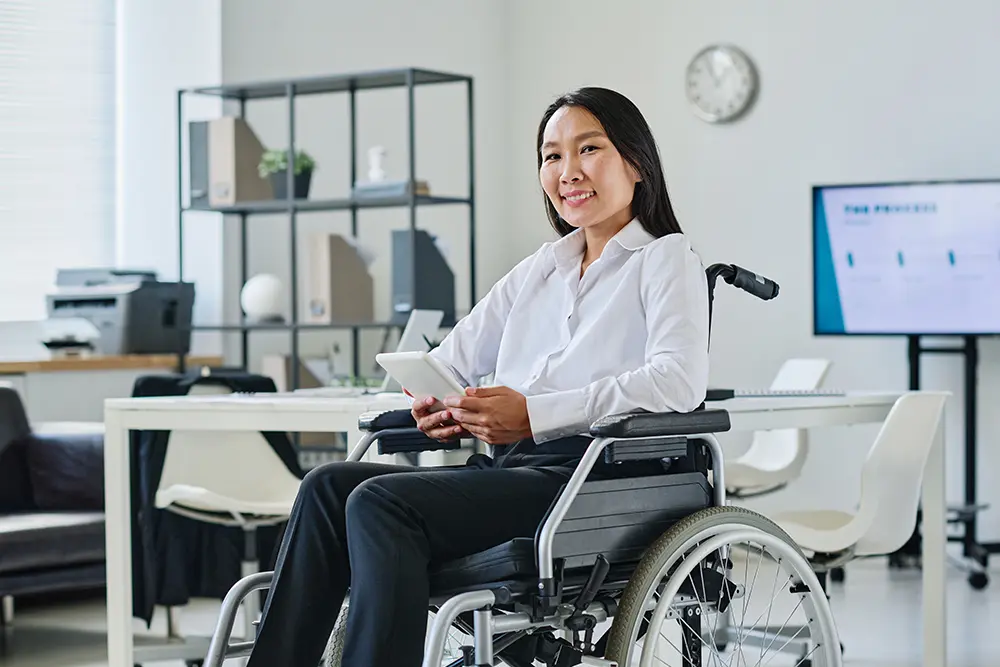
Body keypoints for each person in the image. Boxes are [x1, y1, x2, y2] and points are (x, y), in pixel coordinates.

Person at [244, 86, 710, 667]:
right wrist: (441, 402)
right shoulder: (542, 268)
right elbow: (454, 361)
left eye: (588, 149)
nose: (568, 171)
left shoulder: (665, 259)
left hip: (585, 482)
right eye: (552, 156)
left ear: (635, 163)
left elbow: (678, 381)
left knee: (379, 502)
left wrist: (534, 414)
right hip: (505, 471)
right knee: (326, 487)